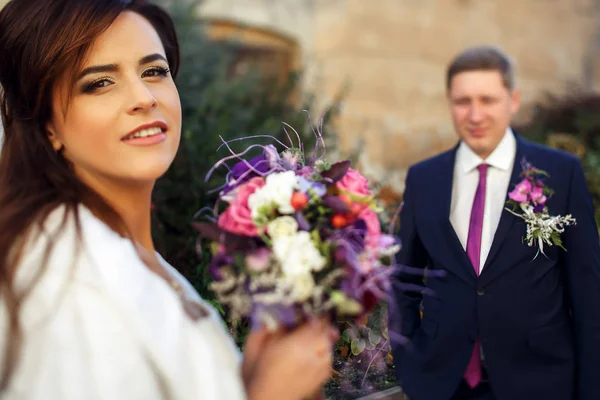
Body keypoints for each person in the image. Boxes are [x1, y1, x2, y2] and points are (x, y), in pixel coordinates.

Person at [0, 0, 338, 399]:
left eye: (154, 71)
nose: (143, 96)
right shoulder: (64, 281)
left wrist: (242, 380)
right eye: (99, 83)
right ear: (49, 127)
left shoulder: (138, 257)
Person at [389, 45, 600, 400]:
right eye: (463, 101)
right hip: (443, 385)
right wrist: (411, 369)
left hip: (538, 382)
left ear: (512, 100)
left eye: (487, 100)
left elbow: (587, 291)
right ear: (449, 102)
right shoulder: (424, 177)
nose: (475, 114)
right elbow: (404, 281)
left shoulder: (561, 173)